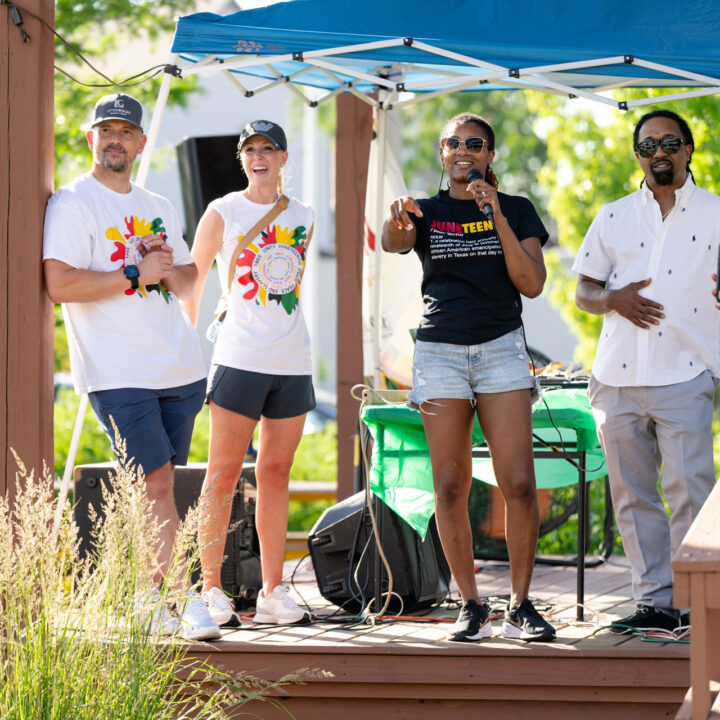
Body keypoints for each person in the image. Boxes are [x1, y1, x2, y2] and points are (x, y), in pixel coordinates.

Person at [43, 93, 220, 641]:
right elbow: (61, 285)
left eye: (126, 131)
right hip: (117, 371)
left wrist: (163, 266)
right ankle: (176, 598)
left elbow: (190, 281)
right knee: (156, 482)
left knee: (157, 492)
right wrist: (133, 272)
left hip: (179, 368)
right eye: (106, 130)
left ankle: (149, 598)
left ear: (142, 142)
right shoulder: (73, 203)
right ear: (89, 137)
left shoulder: (159, 204)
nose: (115, 139)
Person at [381, 112, 555, 642]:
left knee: (519, 484)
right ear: (442, 153)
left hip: (502, 349)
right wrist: (396, 224)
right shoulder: (426, 211)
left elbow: (531, 284)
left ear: (490, 155)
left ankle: (521, 606)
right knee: (450, 484)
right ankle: (471, 605)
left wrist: (495, 213)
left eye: (474, 143)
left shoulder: (517, 209)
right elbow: (393, 242)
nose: (463, 150)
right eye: (453, 143)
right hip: (439, 354)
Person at [573, 109, 719, 633]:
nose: (659, 152)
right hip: (617, 375)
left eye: (669, 142)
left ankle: (696, 604)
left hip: (686, 370)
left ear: (688, 148)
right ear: (638, 155)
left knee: (690, 491)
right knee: (632, 495)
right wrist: (614, 299)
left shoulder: (717, 213)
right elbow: (583, 290)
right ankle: (655, 601)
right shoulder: (613, 215)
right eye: (648, 145)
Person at [183, 120, 315, 627]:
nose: (259, 157)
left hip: (293, 360)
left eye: (268, 149)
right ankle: (212, 589)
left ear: (284, 158)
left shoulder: (302, 214)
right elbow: (193, 285)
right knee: (221, 477)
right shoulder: (222, 211)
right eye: (250, 150)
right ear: (242, 159)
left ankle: (273, 592)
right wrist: (184, 355)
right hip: (238, 357)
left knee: (276, 473)